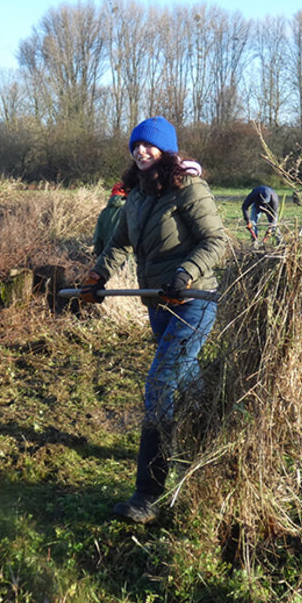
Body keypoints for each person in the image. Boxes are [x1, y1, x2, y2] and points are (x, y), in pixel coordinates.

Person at [80, 116, 227, 523]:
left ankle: (147, 496)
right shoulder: (138, 197)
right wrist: (97, 276)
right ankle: (212, 456)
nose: (141, 152)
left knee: (159, 386)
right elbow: (117, 244)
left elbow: (218, 240)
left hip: (193, 302)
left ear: (166, 150)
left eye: (149, 146)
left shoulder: (188, 188)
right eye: (136, 146)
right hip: (157, 304)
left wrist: (186, 274)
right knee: (191, 387)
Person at [92, 181, 127, 256]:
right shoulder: (131, 210)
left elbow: (98, 238)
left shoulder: (104, 212)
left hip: (107, 257)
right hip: (126, 258)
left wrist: (98, 255)